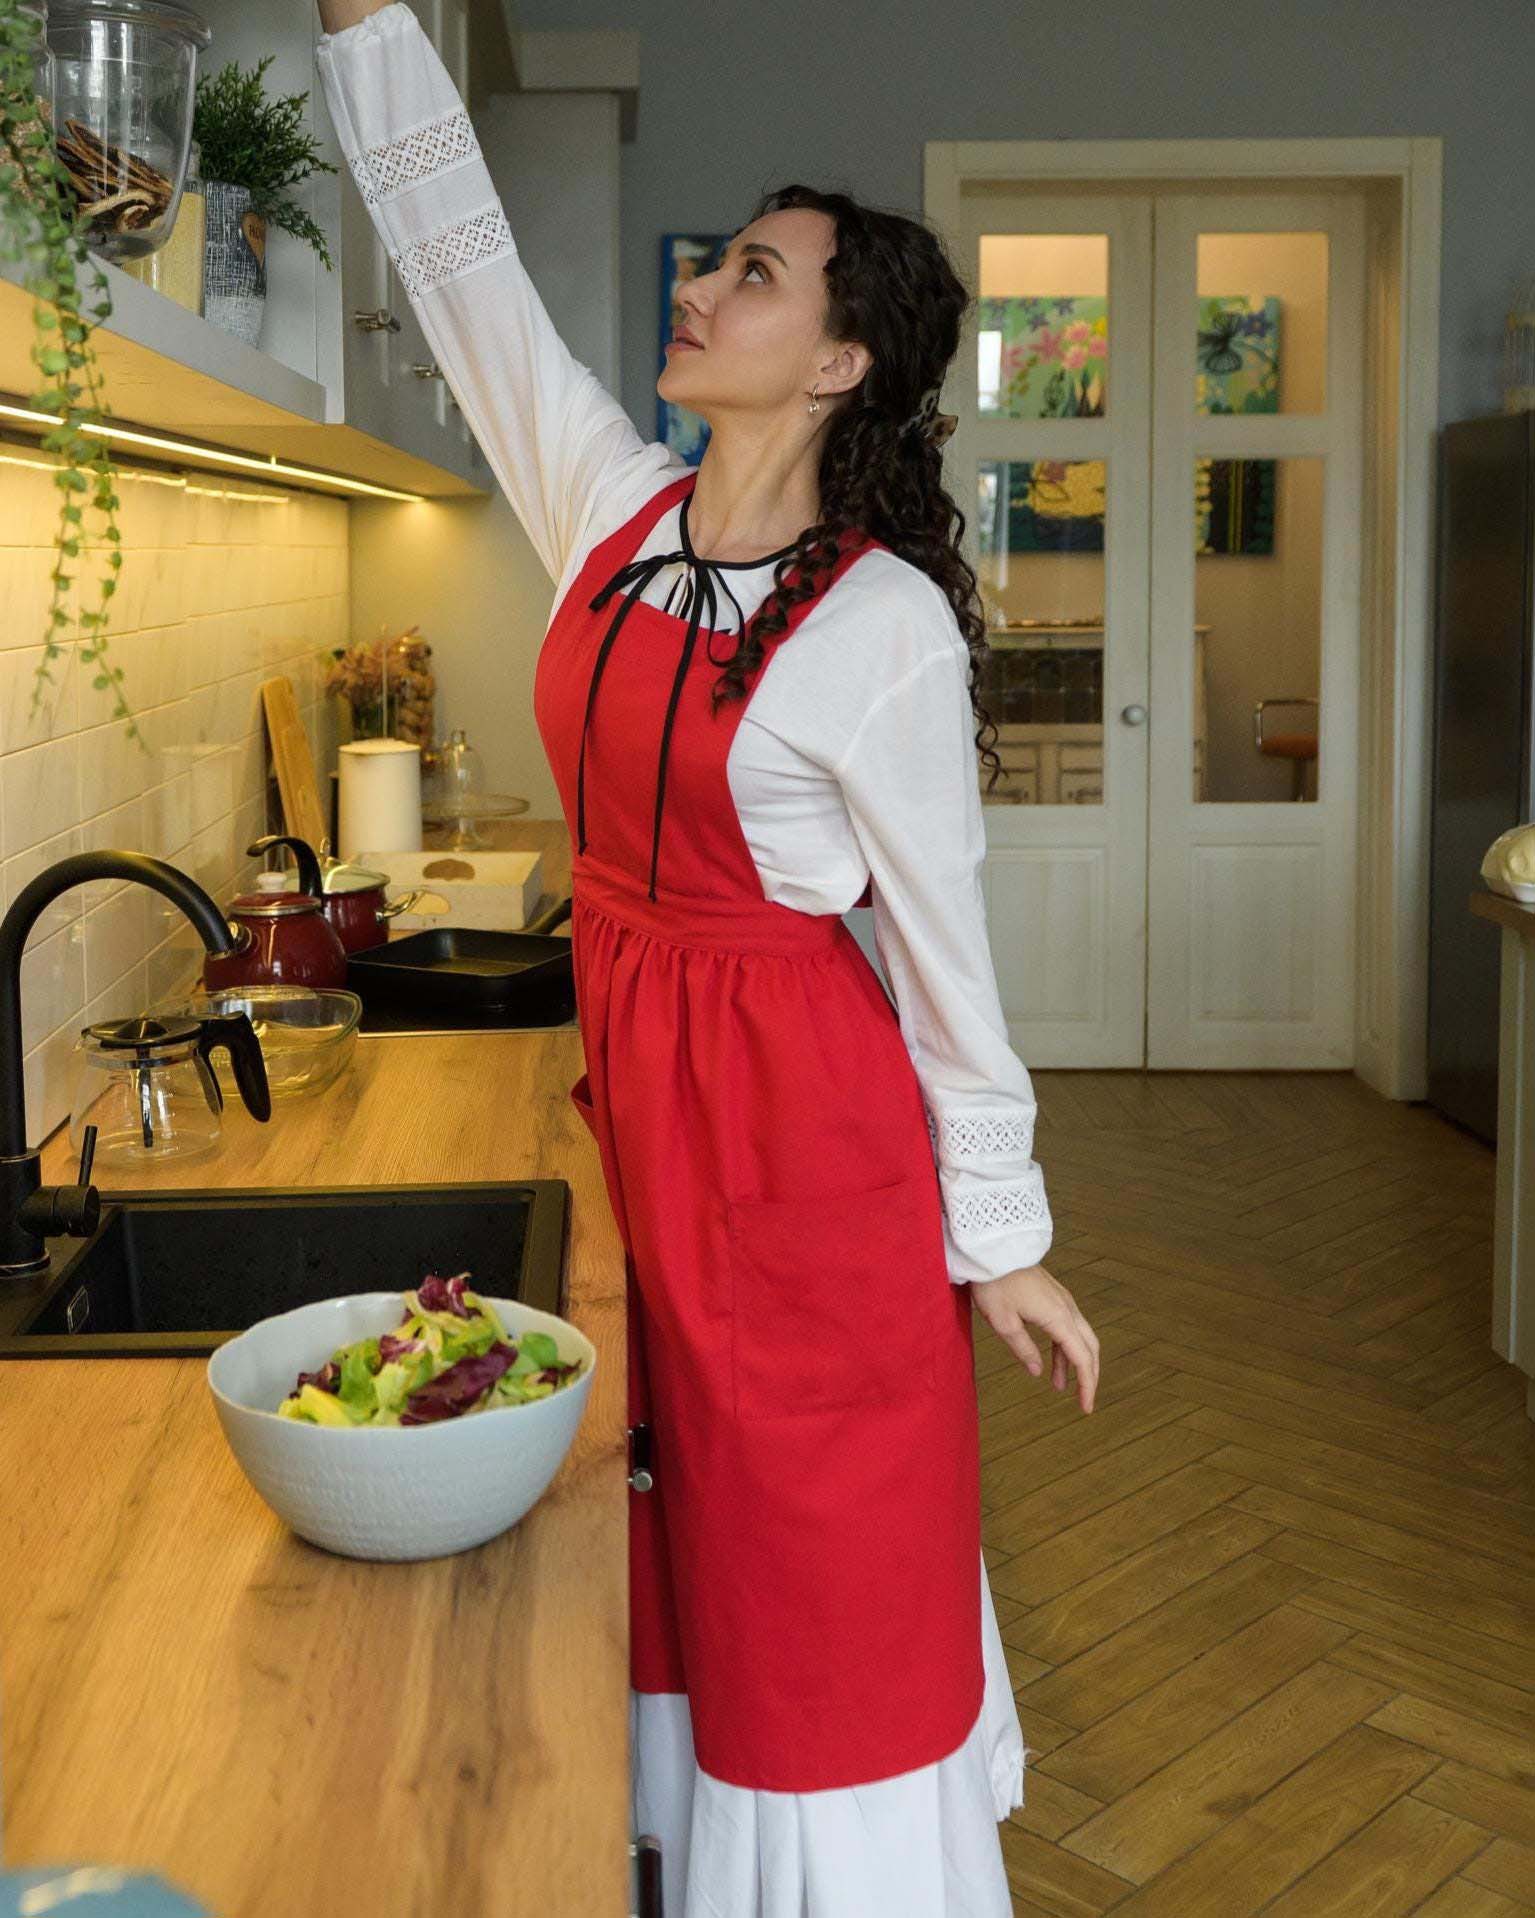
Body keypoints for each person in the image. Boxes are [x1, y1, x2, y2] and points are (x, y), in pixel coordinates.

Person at [314, 7, 1101, 1911]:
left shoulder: (886, 622)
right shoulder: (617, 508)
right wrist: (372, 28)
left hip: (808, 1158)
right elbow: (468, 267)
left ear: (838, 362)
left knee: (808, 1563)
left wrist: (997, 1240)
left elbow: (940, 959)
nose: (707, 284)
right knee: (680, 1544)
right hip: (651, 1125)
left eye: (758, 273)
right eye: (718, 256)